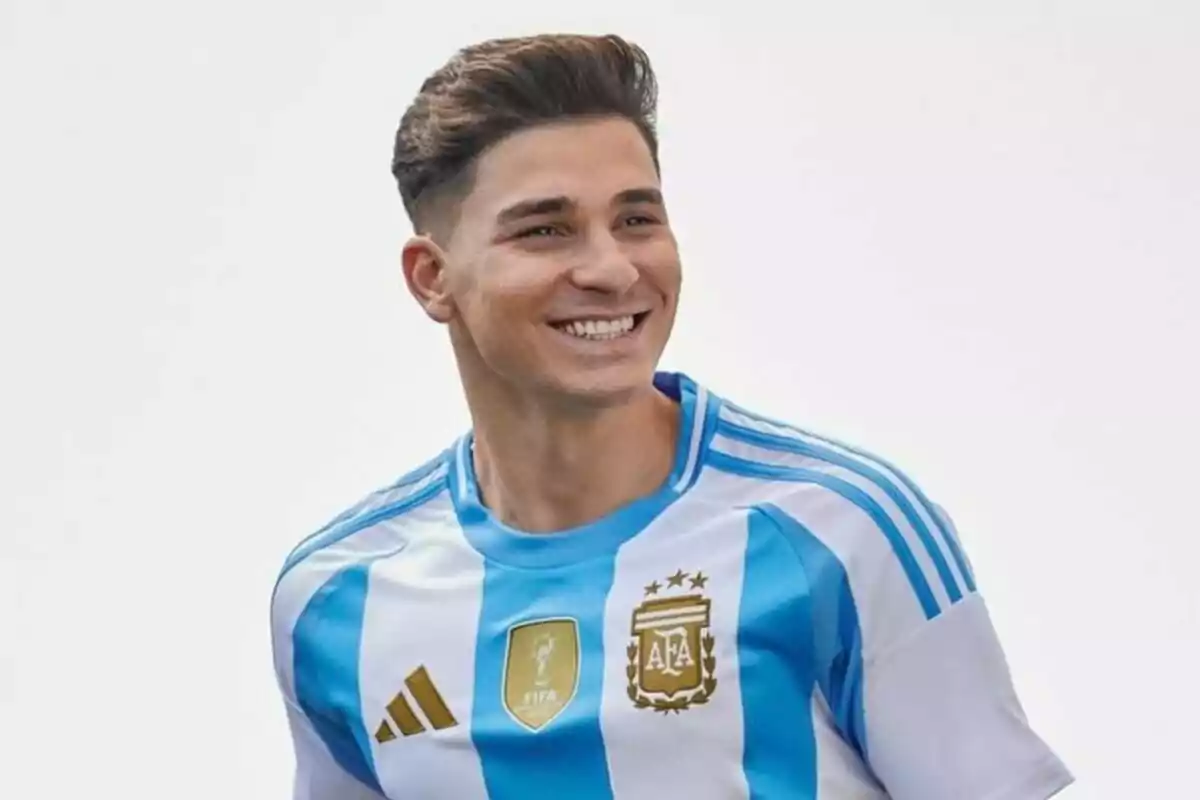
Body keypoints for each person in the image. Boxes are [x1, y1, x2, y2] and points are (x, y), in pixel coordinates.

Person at [269, 33, 1074, 800]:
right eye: (546, 230)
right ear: (430, 278)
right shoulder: (339, 600)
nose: (613, 269)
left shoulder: (840, 530)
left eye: (636, 219)